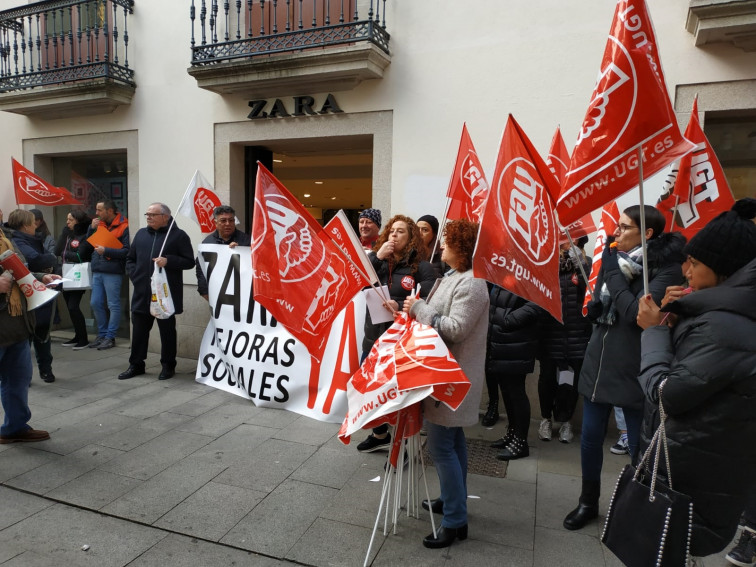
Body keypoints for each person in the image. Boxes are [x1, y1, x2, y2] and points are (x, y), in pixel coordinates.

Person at [636, 199, 756, 560]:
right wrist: (680, 315)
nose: (684, 270)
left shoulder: (726, 327)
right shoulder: (719, 313)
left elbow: (667, 394)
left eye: (695, 262)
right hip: (690, 468)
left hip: (692, 482)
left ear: (724, 271)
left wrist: (655, 330)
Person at [563, 204, 685, 531]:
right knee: (589, 438)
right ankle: (587, 501)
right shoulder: (614, 259)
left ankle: (637, 508)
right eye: (616, 227)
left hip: (634, 366)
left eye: (624, 228)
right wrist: (592, 307)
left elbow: (635, 314)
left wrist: (613, 270)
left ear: (647, 233)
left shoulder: (664, 270)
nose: (615, 233)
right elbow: (602, 302)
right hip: (598, 361)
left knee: (637, 445)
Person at [403, 219, 489, 549]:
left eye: (448, 242)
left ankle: (454, 520)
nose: (441, 246)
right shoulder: (453, 277)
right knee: (452, 444)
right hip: (443, 374)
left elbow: (454, 329)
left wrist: (420, 308)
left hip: (450, 379)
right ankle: (453, 503)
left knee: (441, 446)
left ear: (462, 249)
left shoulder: (472, 283)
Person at [356, 214, 437, 452]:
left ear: (411, 237)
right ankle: (380, 434)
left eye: (400, 231)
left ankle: (404, 447)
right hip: (374, 337)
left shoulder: (422, 267)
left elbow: (429, 302)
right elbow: (359, 282)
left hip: (402, 341)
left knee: (399, 395)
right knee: (371, 388)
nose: (394, 235)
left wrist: (399, 306)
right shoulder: (378, 261)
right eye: (391, 231)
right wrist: (375, 257)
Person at [119, 203, 195, 380]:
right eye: (147, 214)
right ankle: (136, 364)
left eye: (153, 214)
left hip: (165, 295)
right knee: (138, 332)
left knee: (167, 332)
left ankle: (168, 365)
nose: (148, 217)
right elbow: (130, 259)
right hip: (142, 293)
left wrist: (169, 261)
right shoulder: (140, 234)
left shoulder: (178, 236)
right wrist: (136, 277)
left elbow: (189, 261)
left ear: (165, 217)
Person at [1, 221, 58, 442]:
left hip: (16, 323)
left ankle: (15, 427)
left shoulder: (5, 236)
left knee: (18, 379)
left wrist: (39, 277)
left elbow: (17, 268)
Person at [536, 237, 592, 443]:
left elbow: (590, 290)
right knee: (548, 378)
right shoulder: (547, 263)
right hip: (551, 332)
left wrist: (578, 261)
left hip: (577, 334)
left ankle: (566, 420)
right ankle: (546, 419)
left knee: (570, 380)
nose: (567, 240)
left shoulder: (586, 264)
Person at [485, 285, 543, 460]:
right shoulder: (507, 270)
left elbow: (538, 304)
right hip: (500, 339)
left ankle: (520, 442)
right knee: (507, 390)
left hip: (517, 341)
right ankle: (512, 433)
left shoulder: (531, 270)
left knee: (516, 391)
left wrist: (510, 319)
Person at [7, 209, 59, 383]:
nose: (35, 225)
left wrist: (43, 274)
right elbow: (35, 261)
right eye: (32, 222)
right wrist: (51, 258)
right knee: (29, 333)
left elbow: (27, 268)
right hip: (22, 297)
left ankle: (44, 370)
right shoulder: (16, 240)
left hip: (36, 290)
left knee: (42, 331)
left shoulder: (32, 238)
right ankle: (25, 375)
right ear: (25, 225)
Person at [87, 199, 130, 351]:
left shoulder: (124, 226)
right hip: (98, 269)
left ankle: (110, 337)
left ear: (109, 211)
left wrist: (107, 251)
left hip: (112, 271)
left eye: (100, 210)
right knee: (95, 303)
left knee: (113, 304)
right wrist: (91, 230)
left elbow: (127, 251)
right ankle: (102, 334)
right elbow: (89, 244)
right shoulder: (99, 225)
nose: (97, 213)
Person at [56, 210, 94, 348]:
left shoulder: (85, 236)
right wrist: (64, 234)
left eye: (70, 220)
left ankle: (83, 339)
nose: (67, 222)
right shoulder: (68, 235)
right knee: (69, 307)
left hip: (79, 273)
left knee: (73, 306)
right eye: (67, 219)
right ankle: (77, 336)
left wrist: (66, 253)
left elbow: (81, 256)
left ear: (78, 221)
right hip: (66, 273)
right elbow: (56, 251)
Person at [196, 205, 251, 301]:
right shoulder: (207, 243)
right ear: (215, 223)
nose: (227, 224)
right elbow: (201, 268)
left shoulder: (246, 240)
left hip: (242, 291)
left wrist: (240, 250)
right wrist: (204, 291)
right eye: (223, 221)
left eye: (231, 220)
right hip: (218, 292)